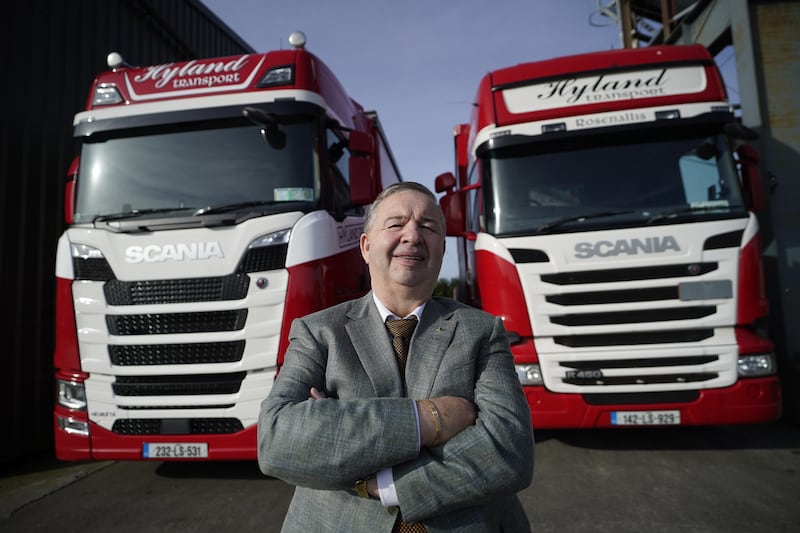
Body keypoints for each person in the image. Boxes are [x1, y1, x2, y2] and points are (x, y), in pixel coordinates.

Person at [258, 182, 534, 532]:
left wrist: (381, 483)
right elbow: (277, 440)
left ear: (442, 249)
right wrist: (431, 419)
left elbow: (510, 451)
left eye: (429, 227)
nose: (413, 235)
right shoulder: (318, 332)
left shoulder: (481, 331)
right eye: (396, 223)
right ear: (366, 245)